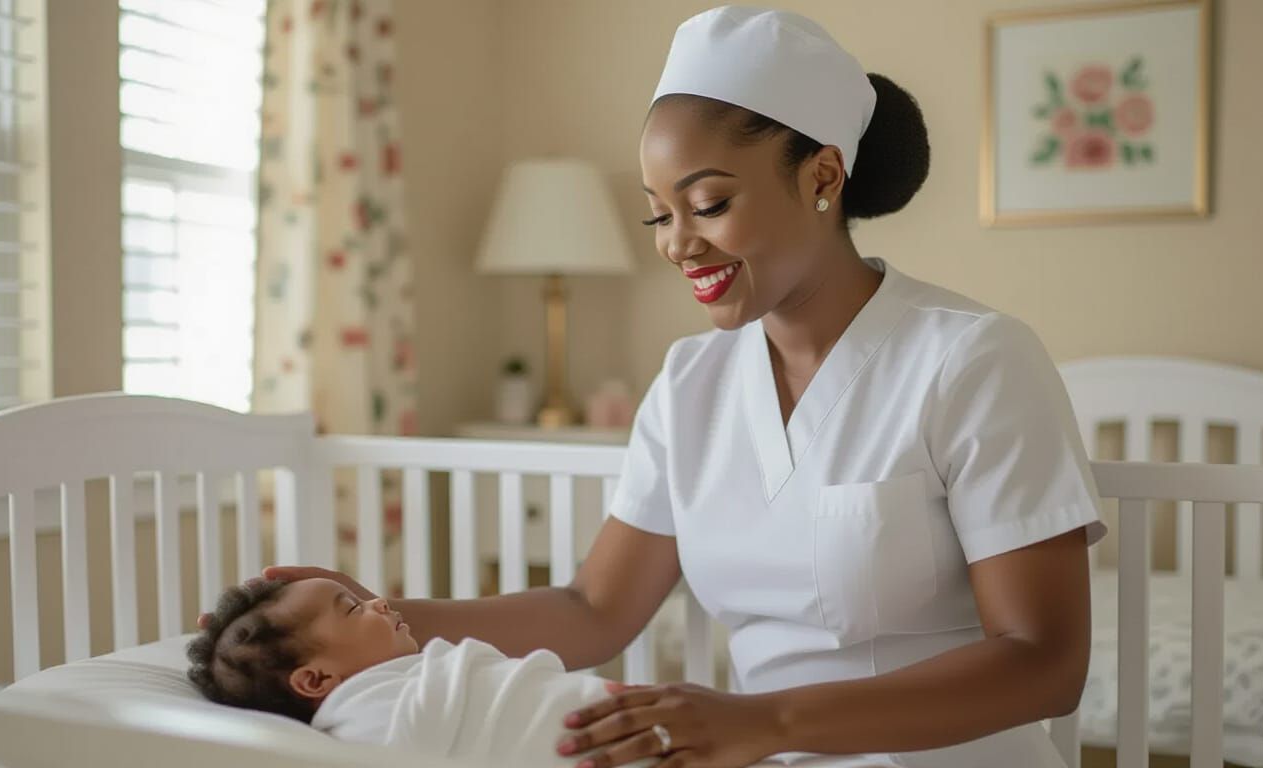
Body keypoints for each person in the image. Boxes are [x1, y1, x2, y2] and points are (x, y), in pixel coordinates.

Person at [204, 7, 1106, 767]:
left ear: (823, 176)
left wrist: (765, 719)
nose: (677, 244)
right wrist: (364, 614)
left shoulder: (972, 360)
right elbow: (594, 611)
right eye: (658, 213)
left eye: (708, 204)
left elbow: (1043, 661)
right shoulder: (692, 382)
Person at [188, 578, 651, 768]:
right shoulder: (368, 717)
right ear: (316, 680)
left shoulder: (410, 676)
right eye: (352, 608)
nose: (378, 600)